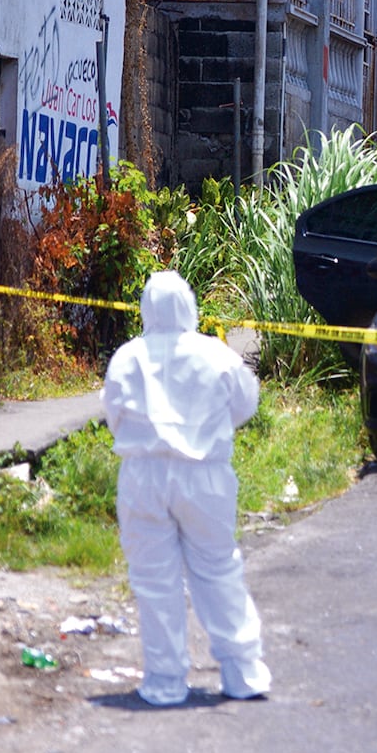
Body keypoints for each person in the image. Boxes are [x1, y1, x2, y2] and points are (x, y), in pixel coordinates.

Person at [102, 270, 272, 706]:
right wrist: (204, 432)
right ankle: (244, 673)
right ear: (190, 306)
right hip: (205, 475)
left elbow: (114, 413)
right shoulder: (216, 355)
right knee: (218, 569)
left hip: (143, 473)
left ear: (145, 308)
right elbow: (244, 404)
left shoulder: (128, 356)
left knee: (154, 580)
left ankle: (164, 681)